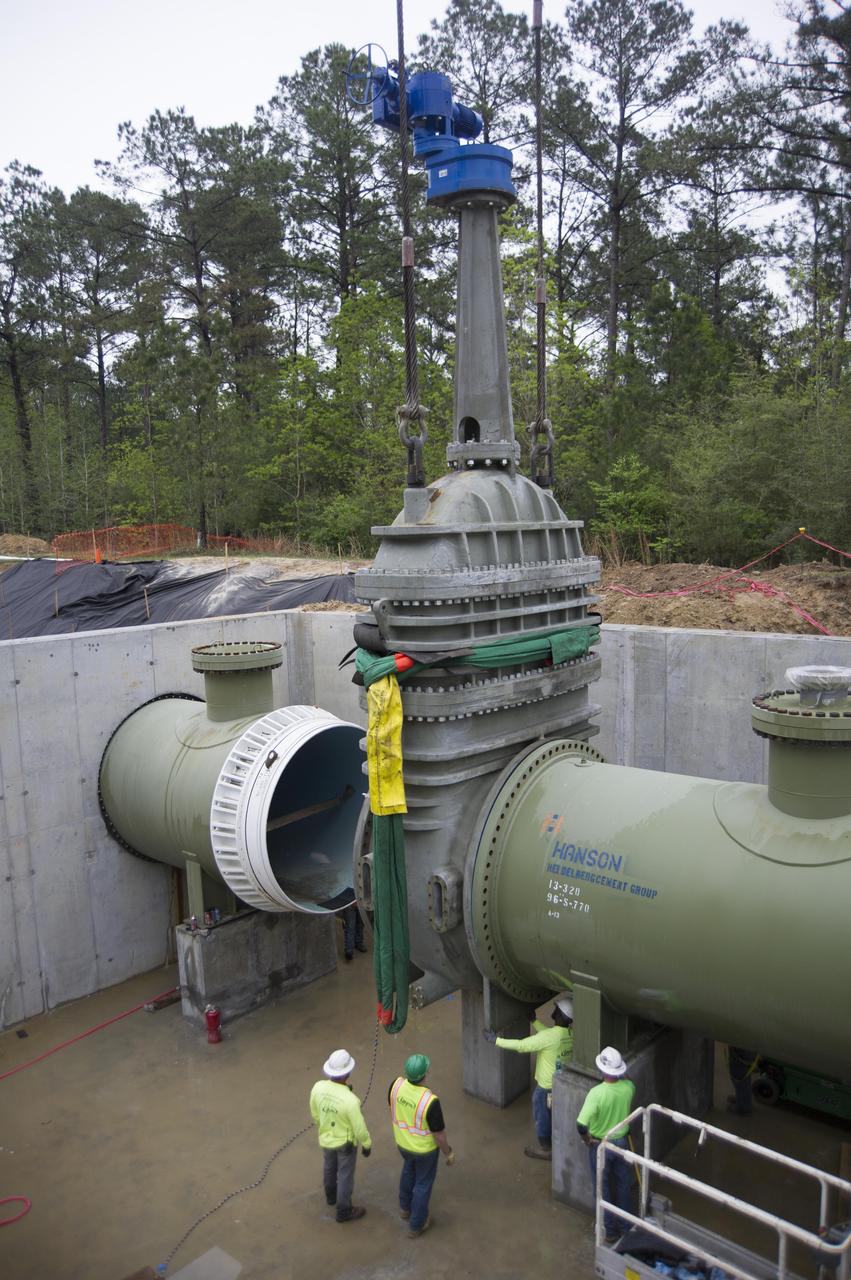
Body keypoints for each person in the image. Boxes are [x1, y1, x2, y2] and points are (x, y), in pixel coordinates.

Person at [483, 995, 574, 1159]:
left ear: (561, 1015)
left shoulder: (549, 1038)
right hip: (560, 1084)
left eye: (557, 1010)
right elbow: (550, 1034)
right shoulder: (570, 1034)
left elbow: (521, 1045)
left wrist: (496, 1040)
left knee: (542, 1116)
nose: (554, 1012)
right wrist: (534, 1021)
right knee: (554, 1115)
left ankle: (546, 1148)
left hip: (545, 1088)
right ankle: (558, 1143)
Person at [388, 1052, 455, 1239]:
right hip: (424, 1151)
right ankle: (417, 1224)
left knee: (408, 1170)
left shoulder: (395, 1085)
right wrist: (448, 1153)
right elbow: (439, 1135)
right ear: (425, 1074)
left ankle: (404, 1208)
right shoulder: (430, 1101)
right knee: (423, 1184)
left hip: (402, 1144)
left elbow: (393, 1108)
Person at [576, 1045, 636, 1245]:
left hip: (601, 1144)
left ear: (602, 1070)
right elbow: (627, 1080)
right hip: (622, 1143)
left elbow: (581, 1124)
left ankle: (610, 1231)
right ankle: (626, 1227)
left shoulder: (596, 1093)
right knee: (623, 1185)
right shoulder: (628, 1089)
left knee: (602, 1188)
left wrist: (587, 1140)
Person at [309, 1048, 372, 1223]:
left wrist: (322, 1126)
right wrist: (366, 1144)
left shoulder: (318, 1087)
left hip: (326, 1138)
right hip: (345, 1144)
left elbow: (314, 1112)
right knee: (345, 1175)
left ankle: (330, 1196)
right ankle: (344, 1210)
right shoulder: (351, 1100)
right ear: (348, 1072)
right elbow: (359, 1128)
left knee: (329, 1167)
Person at [727, 1045, 758, 1115]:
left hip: (742, 1048)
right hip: (745, 1047)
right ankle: (742, 1099)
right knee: (744, 1075)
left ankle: (743, 1108)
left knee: (739, 1076)